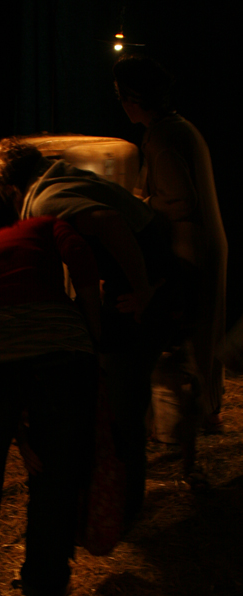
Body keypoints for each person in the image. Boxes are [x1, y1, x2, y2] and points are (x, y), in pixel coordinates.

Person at [0, 137, 184, 523]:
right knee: (125, 391)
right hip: (151, 275)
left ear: (11, 189)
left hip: (144, 290)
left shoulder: (45, 201)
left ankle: (125, 511)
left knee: (123, 402)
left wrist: (142, 288)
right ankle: (124, 498)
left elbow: (108, 221)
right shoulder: (64, 177)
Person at [0, 184, 100, 596]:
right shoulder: (43, 225)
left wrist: (14, 427)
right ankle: (42, 592)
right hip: (61, 354)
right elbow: (81, 257)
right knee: (55, 477)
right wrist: (94, 331)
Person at [113, 54, 228, 432]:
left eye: (121, 95)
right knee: (205, 329)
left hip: (191, 245)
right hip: (204, 241)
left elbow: (180, 200)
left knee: (194, 329)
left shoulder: (162, 137)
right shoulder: (177, 128)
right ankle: (208, 409)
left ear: (134, 98)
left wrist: (137, 205)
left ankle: (199, 414)